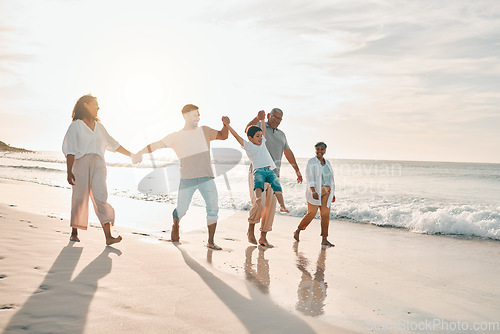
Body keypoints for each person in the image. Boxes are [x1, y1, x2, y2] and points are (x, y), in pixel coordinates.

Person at [133, 104, 229, 250]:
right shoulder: (176, 136)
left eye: (198, 115)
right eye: (194, 115)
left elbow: (223, 135)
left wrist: (225, 125)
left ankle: (210, 241)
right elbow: (156, 145)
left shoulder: (205, 131)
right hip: (187, 179)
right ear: (185, 116)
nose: (198, 117)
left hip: (206, 177)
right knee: (182, 209)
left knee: (213, 209)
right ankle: (176, 223)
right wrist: (140, 152)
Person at [62, 94, 134, 245]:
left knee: (101, 197)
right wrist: (69, 171)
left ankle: (108, 237)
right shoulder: (76, 125)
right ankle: (74, 231)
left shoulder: (99, 127)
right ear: (86, 105)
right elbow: (70, 150)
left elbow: (113, 144)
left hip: (99, 165)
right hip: (81, 163)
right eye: (95, 105)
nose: (98, 108)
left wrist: (131, 155)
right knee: (79, 198)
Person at [245, 108, 303, 247]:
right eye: (274, 117)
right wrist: (257, 118)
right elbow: (247, 129)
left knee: (270, 208)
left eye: (279, 118)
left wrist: (297, 170)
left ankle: (263, 237)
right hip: (257, 172)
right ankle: (251, 230)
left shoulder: (282, 135)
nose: (276, 120)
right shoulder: (260, 126)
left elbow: (288, 152)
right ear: (269, 116)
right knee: (259, 202)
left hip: (274, 175)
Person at [223, 114, 289, 213]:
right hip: (259, 170)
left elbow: (263, 129)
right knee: (258, 186)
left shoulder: (262, 142)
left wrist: (262, 120)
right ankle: (258, 199)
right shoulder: (248, 146)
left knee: (277, 188)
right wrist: (227, 125)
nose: (260, 138)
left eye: (261, 136)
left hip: (270, 170)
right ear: (250, 138)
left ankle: (282, 206)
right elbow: (236, 136)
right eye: (257, 136)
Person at [293, 142, 335, 247]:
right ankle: (298, 230)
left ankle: (324, 239)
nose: (320, 151)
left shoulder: (328, 163)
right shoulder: (311, 162)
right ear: (315, 150)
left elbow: (331, 178)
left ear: (325, 151)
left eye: (322, 149)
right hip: (316, 191)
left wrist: (332, 193)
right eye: (318, 149)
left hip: (327, 191)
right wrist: (313, 190)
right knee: (311, 213)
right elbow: (309, 176)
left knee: (325, 215)